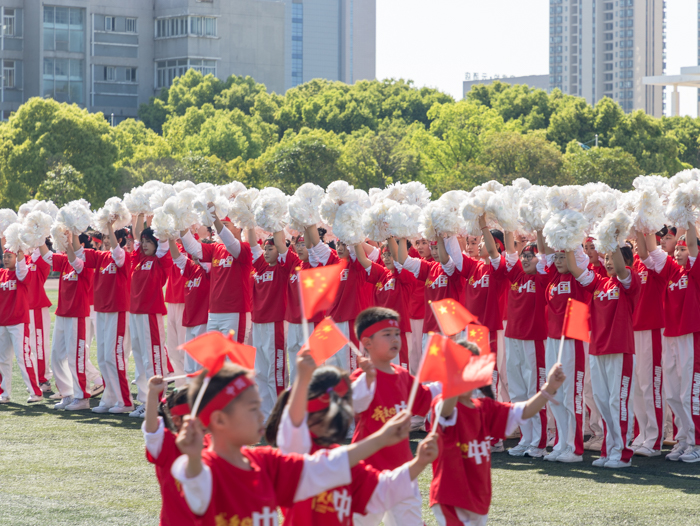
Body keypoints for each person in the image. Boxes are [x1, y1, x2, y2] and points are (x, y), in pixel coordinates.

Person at [171, 361, 419, 524]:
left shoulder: (265, 461)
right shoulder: (206, 465)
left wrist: (406, 452)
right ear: (219, 419)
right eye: (253, 408)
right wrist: (193, 458)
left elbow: (324, 466)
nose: (261, 415)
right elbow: (195, 484)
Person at [266, 349, 439, 526]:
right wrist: (303, 379)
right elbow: (293, 429)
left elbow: (384, 488)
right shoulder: (299, 452)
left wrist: (419, 462)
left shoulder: (350, 464)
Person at [428, 340, 566, 526]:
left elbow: (523, 411)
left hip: (479, 498)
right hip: (450, 497)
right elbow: (445, 411)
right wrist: (456, 380)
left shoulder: (485, 407)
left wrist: (549, 388)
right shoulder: (441, 404)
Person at [349, 307, 441, 526]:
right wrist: (369, 377)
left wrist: (451, 377)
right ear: (367, 343)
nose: (394, 339)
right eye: (386, 334)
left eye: (396, 334)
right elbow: (355, 402)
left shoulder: (401, 375)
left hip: (403, 470)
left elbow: (425, 399)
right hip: (367, 471)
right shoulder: (360, 377)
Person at [566, 246, 639, 468]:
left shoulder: (629, 281)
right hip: (597, 349)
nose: (607, 262)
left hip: (620, 349)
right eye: (605, 258)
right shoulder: (599, 283)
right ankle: (609, 450)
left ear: (625, 261)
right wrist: (567, 240)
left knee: (618, 402)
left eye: (611, 258)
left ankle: (622, 453)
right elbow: (574, 268)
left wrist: (612, 240)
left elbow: (620, 268)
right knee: (602, 400)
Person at [637, 226, 700, 463]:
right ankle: (684, 440)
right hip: (670, 336)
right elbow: (648, 253)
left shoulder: (696, 271)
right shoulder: (671, 271)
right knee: (673, 393)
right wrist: (642, 226)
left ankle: (697, 443)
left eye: (683, 249)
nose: (679, 253)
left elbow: (694, 246)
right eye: (678, 250)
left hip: (690, 336)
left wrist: (688, 220)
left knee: (689, 394)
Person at [500, 233, 550, 458]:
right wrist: (508, 224)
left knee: (534, 390)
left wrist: (539, 230)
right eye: (524, 256)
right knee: (517, 390)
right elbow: (508, 255)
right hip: (512, 338)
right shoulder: (516, 275)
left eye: (531, 256)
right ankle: (525, 438)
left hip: (534, 339)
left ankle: (539, 442)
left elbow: (545, 257)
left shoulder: (542, 277)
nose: (527, 259)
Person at [541, 241, 591, 462]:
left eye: (563, 257)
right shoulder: (553, 275)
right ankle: (562, 443)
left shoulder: (579, 274)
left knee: (572, 395)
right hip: (553, 338)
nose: (559, 261)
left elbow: (578, 257)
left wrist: (569, 234)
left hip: (573, 338)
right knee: (555, 393)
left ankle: (575, 448)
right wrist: (540, 224)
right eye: (557, 257)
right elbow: (544, 249)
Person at [82, 222, 134, 414]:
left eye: (107, 238)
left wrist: (110, 226)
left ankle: (125, 401)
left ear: (117, 239)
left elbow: (118, 255)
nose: (104, 242)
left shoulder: (123, 256)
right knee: (103, 358)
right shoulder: (100, 257)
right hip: (101, 310)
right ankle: (110, 397)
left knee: (115, 356)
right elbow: (76, 256)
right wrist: (69, 232)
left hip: (118, 310)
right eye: (103, 238)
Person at [179, 208, 253, 343]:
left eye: (225, 225)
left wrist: (214, 217)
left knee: (232, 360)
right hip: (213, 313)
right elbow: (192, 248)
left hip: (235, 312)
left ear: (238, 228)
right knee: (214, 361)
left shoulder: (245, 248)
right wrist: (181, 221)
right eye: (220, 225)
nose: (220, 229)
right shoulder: (215, 248)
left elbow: (231, 242)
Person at [248, 228, 299, 420]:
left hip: (275, 324)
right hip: (258, 323)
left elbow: (282, 247)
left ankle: (279, 416)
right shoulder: (260, 267)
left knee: (275, 371)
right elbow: (253, 246)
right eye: (265, 249)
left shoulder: (283, 268)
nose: (266, 252)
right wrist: (248, 222)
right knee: (260, 371)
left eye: (270, 249)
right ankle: (265, 414)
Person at [142, 376, 205, 526]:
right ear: (177, 420)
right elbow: (151, 430)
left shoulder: (213, 443)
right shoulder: (167, 445)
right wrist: (152, 394)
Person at [306, 226, 370, 372]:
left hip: (350, 322)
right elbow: (316, 243)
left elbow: (356, 251)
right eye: (338, 244)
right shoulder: (334, 262)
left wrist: (348, 222)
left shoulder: (357, 264)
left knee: (351, 368)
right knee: (333, 368)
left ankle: (354, 395)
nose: (340, 248)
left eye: (344, 245)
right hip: (332, 322)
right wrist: (308, 222)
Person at [129, 214, 174, 418]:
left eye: (149, 241)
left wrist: (160, 223)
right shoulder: (140, 259)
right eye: (144, 241)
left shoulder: (161, 260)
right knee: (139, 358)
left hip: (151, 313)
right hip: (136, 313)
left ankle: (157, 403)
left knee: (152, 359)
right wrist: (139, 215)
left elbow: (164, 244)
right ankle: (145, 401)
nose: (145, 244)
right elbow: (137, 235)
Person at [630, 230, 667, 457]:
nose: (636, 245)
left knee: (651, 386)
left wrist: (644, 225)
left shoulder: (655, 263)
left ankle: (654, 439)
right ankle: (641, 434)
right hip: (634, 329)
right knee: (637, 387)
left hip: (652, 328)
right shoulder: (634, 264)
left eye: (638, 241)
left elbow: (646, 251)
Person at [47, 232, 93, 411]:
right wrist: (37, 234)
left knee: (76, 358)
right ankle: (67, 394)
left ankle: (82, 397)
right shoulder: (65, 260)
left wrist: (71, 233)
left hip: (77, 315)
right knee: (57, 357)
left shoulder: (85, 263)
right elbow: (45, 255)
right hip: (62, 313)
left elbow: (77, 262)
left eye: (73, 241)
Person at [355, 239, 417, 371]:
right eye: (384, 255)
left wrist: (390, 236)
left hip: (398, 331)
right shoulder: (382, 274)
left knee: (398, 373)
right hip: (380, 332)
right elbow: (362, 259)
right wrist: (354, 239)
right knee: (381, 371)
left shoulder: (405, 273)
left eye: (389, 254)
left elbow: (398, 259)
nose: (386, 258)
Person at [397, 238, 464, 351]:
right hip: (429, 329)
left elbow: (447, 260)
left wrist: (444, 235)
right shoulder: (429, 267)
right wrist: (402, 236)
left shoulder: (453, 268)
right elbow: (404, 261)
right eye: (432, 248)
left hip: (449, 330)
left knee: (449, 368)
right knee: (430, 369)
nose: (434, 252)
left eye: (437, 248)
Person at [0, 246, 43, 403]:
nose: (6, 259)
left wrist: (20, 256)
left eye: (9, 256)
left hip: (18, 322)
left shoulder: (22, 273)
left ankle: (36, 392)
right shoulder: (1, 273)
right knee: (2, 360)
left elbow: (22, 272)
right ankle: (4, 394)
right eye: (5, 256)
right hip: (2, 323)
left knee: (23, 358)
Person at [169, 237, 211, 375]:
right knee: (189, 366)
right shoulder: (193, 268)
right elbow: (177, 257)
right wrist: (170, 238)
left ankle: (201, 395)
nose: (194, 253)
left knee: (200, 365)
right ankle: (190, 394)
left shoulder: (211, 270)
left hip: (204, 322)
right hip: (190, 321)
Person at [283, 234, 319, 384]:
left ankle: (313, 401)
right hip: (293, 321)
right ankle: (295, 397)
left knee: (312, 364)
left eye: (303, 244)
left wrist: (307, 225)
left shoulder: (315, 263)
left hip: (311, 321)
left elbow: (313, 249)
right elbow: (280, 247)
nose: (300, 248)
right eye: (298, 245)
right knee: (294, 363)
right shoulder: (294, 263)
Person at [26, 242, 53, 392]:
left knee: (39, 345)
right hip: (24, 308)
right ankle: (37, 379)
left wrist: (37, 236)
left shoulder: (42, 260)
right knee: (29, 346)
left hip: (37, 308)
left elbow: (39, 254)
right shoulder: (27, 259)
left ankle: (44, 380)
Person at [406, 238, 432, 375]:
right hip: (412, 313)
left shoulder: (439, 264)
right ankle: (416, 391)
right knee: (414, 356)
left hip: (427, 317)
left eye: (424, 243)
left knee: (426, 356)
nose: (420, 247)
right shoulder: (417, 260)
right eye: (418, 243)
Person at [165, 239, 188, 386]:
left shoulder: (194, 246)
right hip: (172, 300)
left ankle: (188, 388)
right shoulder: (173, 245)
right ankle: (180, 388)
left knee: (184, 349)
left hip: (185, 302)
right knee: (173, 350)